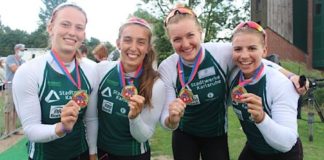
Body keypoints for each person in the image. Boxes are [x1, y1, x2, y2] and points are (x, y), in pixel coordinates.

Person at [158, 5, 306, 160]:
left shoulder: (221, 52)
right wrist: (172, 120)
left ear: (200, 32)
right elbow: (166, 121)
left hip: (216, 134)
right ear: (170, 40)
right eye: (177, 39)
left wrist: (290, 76)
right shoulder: (167, 67)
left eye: (190, 35)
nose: (186, 44)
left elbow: (255, 58)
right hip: (185, 134)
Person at [12, 2, 97, 160]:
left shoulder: (91, 69)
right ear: (50, 28)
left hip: (81, 154)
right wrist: (62, 127)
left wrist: (92, 153)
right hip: (44, 156)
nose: (72, 32)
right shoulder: (29, 71)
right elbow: (31, 129)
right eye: (65, 24)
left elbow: (91, 118)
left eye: (79, 28)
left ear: (83, 35)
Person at [229, 21, 303, 160]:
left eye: (252, 48)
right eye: (238, 49)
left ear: (264, 51)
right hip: (254, 148)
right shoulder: (233, 75)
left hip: (283, 154)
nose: (244, 56)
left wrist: (262, 118)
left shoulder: (281, 84)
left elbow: (287, 143)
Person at [95, 16, 166, 160]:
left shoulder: (156, 84)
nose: (133, 48)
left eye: (141, 42)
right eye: (127, 40)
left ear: (147, 48)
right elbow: (91, 117)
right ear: (118, 43)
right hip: (102, 152)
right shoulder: (102, 69)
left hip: (134, 155)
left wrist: (135, 118)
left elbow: (143, 137)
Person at [4, 43, 26, 136]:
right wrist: (25, 67)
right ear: (16, 50)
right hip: (10, 86)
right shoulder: (10, 57)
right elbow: (14, 69)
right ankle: (6, 131)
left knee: (16, 109)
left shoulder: (23, 61)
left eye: (24, 50)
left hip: (18, 86)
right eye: (22, 50)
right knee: (8, 109)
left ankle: (13, 129)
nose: (23, 52)